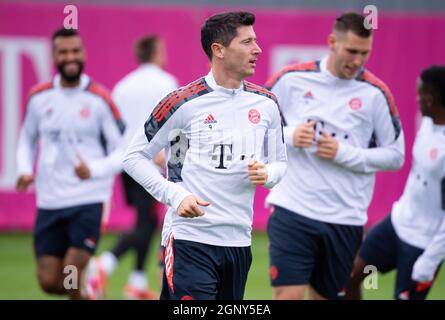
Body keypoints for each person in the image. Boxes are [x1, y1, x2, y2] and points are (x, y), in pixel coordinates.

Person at [123, 11, 287, 300]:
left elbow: (280, 164)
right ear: (219, 50)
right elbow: (133, 157)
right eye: (247, 42)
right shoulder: (182, 102)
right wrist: (175, 196)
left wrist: (268, 174)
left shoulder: (267, 104)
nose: (257, 49)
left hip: (238, 243)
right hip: (190, 240)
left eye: (256, 41)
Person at [264, 12, 405, 300]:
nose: (357, 60)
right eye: (351, 51)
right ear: (331, 42)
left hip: (345, 218)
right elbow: (251, 126)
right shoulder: (291, 79)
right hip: (292, 209)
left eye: (365, 53)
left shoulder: (376, 93)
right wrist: (289, 135)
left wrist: (345, 153)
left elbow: (396, 156)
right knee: (287, 296)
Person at [16, 28, 124, 300]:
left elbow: (123, 151)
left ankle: (85, 282)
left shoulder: (100, 99)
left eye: (75, 51)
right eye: (63, 52)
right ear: (54, 56)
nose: (70, 57)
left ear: (84, 53)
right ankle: (89, 290)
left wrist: (94, 169)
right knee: (50, 282)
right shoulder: (39, 97)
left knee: (70, 273)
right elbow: (26, 141)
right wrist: (25, 170)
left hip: (89, 199)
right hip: (50, 200)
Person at [90, 35, 178, 300]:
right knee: (146, 223)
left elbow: (115, 127)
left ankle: (136, 282)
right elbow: (170, 121)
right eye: (162, 48)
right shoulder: (166, 82)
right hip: (148, 161)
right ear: (154, 52)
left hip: (125, 161)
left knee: (147, 221)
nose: (165, 53)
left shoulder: (122, 86)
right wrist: (163, 153)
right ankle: (103, 264)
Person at [347, 66, 445, 300]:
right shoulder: (428, 122)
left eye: (419, 94)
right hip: (397, 224)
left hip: (423, 245)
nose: (416, 99)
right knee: (350, 277)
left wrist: (429, 262)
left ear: (430, 100)